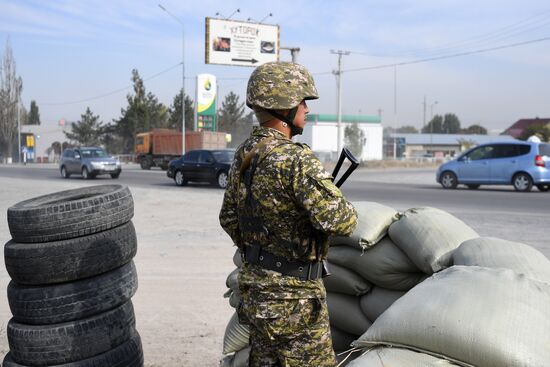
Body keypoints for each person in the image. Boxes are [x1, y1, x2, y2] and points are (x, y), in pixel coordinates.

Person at [219, 61, 358, 367]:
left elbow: (229, 218)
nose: (306, 109)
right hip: (296, 301)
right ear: (284, 107)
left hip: (257, 293)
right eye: (302, 101)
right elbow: (342, 220)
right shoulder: (296, 159)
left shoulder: (245, 153)